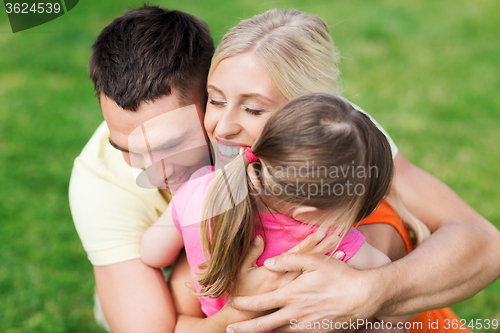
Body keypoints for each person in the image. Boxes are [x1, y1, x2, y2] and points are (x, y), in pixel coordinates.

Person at [195, 9, 499, 333]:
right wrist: (234, 312)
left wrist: (369, 290)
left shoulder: (348, 150)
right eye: (214, 100)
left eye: (254, 109)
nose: (221, 128)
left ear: (312, 111)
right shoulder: (193, 167)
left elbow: (485, 243)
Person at [141, 93, 430, 333]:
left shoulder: (197, 189)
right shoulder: (326, 241)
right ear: (308, 211)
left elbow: (152, 253)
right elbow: (398, 308)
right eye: (354, 212)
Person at [69, 6, 214, 332]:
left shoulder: (298, 127)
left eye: (168, 145)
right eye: (128, 150)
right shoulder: (98, 181)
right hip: (156, 295)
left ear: (214, 99)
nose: (154, 174)